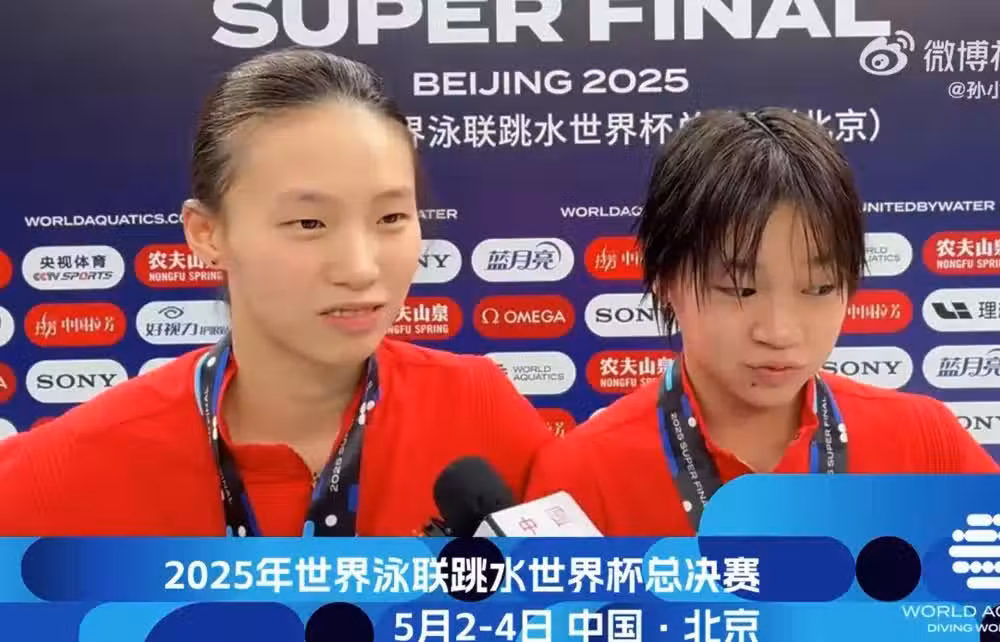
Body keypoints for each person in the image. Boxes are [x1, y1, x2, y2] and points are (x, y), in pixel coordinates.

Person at [0, 48, 554, 537]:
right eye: (308, 223)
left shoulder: (479, 409)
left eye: (390, 217)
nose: (360, 269)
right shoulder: (52, 477)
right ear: (207, 234)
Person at [525, 107, 1000, 536]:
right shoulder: (579, 479)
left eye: (819, 288)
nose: (779, 332)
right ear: (666, 278)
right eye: (740, 289)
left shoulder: (925, 442)